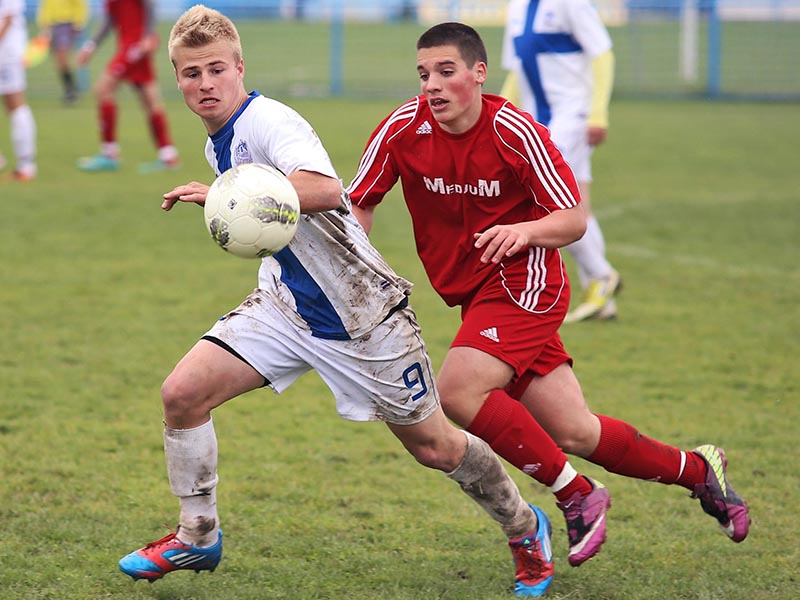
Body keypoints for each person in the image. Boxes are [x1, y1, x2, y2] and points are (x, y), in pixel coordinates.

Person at [117, 7, 561, 597]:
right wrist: (231, 194)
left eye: (216, 70)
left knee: (436, 446)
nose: (205, 84)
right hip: (286, 307)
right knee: (182, 394)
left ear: (240, 68)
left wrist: (232, 194)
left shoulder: (270, 121)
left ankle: (525, 526)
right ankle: (197, 535)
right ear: (176, 78)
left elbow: (328, 190)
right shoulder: (217, 141)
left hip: (364, 318)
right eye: (191, 73)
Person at [347, 22, 750, 567]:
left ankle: (576, 494)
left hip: (526, 284)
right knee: (575, 431)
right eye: (423, 75)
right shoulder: (403, 128)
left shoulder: (512, 130)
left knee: (459, 391)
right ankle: (700, 472)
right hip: (474, 296)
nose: (432, 85)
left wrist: (525, 231)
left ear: (478, 73)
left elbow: (574, 218)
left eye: (445, 71)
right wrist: (353, 268)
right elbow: (359, 201)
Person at [501, 0, 620, 322]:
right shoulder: (517, 8)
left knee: (547, 201)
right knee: (577, 204)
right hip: (539, 122)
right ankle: (601, 297)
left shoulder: (570, 3)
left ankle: (601, 274)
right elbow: (517, 70)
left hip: (572, 117)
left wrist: (597, 113)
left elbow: (602, 54)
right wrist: (500, 113)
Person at [75, 0, 179, 173]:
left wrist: (148, 35)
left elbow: (150, 4)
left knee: (103, 89)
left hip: (136, 45)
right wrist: (90, 47)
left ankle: (109, 154)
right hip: (129, 45)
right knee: (150, 100)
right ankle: (168, 155)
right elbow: (110, 21)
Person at [0, 0, 37, 182]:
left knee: (15, 104)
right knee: (12, 105)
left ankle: (26, 166)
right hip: (7, 51)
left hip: (7, 52)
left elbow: (8, 17)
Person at [35, 0, 89, 104]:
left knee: (63, 58)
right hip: (50, 26)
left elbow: (80, 5)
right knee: (59, 62)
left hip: (66, 25)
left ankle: (71, 91)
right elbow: (45, 7)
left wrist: (78, 24)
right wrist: (44, 26)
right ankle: (70, 89)